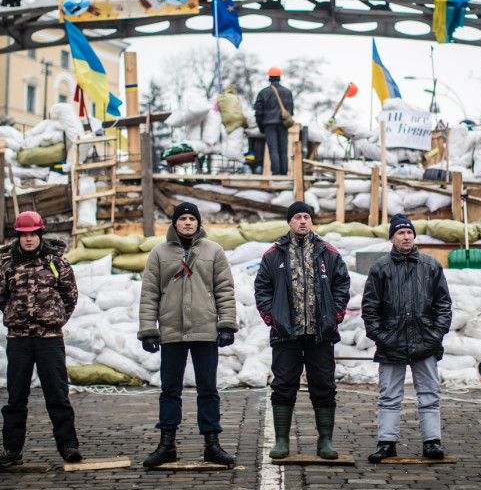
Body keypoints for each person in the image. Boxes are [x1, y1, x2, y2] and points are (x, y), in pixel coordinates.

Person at [138, 202, 239, 468]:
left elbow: (225, 290)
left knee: (208, 389)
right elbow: (149, 294)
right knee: (170, 390)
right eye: (182, 218)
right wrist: (149, 330)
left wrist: (227, 325)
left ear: (198, 222)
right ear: (174, 223)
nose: (187, 222)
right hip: (171, 332)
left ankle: (212, 445)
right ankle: (166, 445)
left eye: (192, 218)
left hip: (205, 331)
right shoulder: (159, 253)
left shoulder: (213, 251)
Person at [254, 201, 350, 459]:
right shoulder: (273, 255)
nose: (303, 221)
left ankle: (325, 441)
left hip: (321, 333)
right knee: (284, 385)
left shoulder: (327, 253)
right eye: (297, 217)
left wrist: (334, 316)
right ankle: (282, 441)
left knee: (324, 386)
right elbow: (262, 290)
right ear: (289, 222)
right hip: (287, 334)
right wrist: (273, 319)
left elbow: (342, 286)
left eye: (307, 216)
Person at [0, 211, 82, 469]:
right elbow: (1, 298)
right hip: (18, 340)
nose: (29, 239)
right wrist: (17, 318)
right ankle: (12, 450)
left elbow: (70, 295)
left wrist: (54, 318)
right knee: (16, 398)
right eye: (24, 235)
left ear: (40, 235)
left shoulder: (57, 263)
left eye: (33, 234)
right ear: (18, 236)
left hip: (49, 339)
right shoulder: (7, 266)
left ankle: (68, 446)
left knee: (57, 395)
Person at [361, 215, 451, 463]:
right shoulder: (381, 268)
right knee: (389, 395)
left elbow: (444, 304)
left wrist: (435, 334)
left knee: (430, 394)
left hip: (425, 341)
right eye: (400, 233)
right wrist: (381, 336)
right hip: (392, 343)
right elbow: (370, 308)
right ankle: (386, 442)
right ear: (392, 238)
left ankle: (432, 442)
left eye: (409, 232)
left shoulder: (430, 265)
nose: (406, 237)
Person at [253, 66, 294, 176]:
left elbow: (258, 112)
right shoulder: (287, 92)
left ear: (269, 78)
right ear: (279, 78)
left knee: (273, 149)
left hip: (269, 124)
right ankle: (284, 174)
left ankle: (276, 174)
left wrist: (261, 126)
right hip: (283, 124)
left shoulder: (263, 93)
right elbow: (290, 111)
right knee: (283, 149)